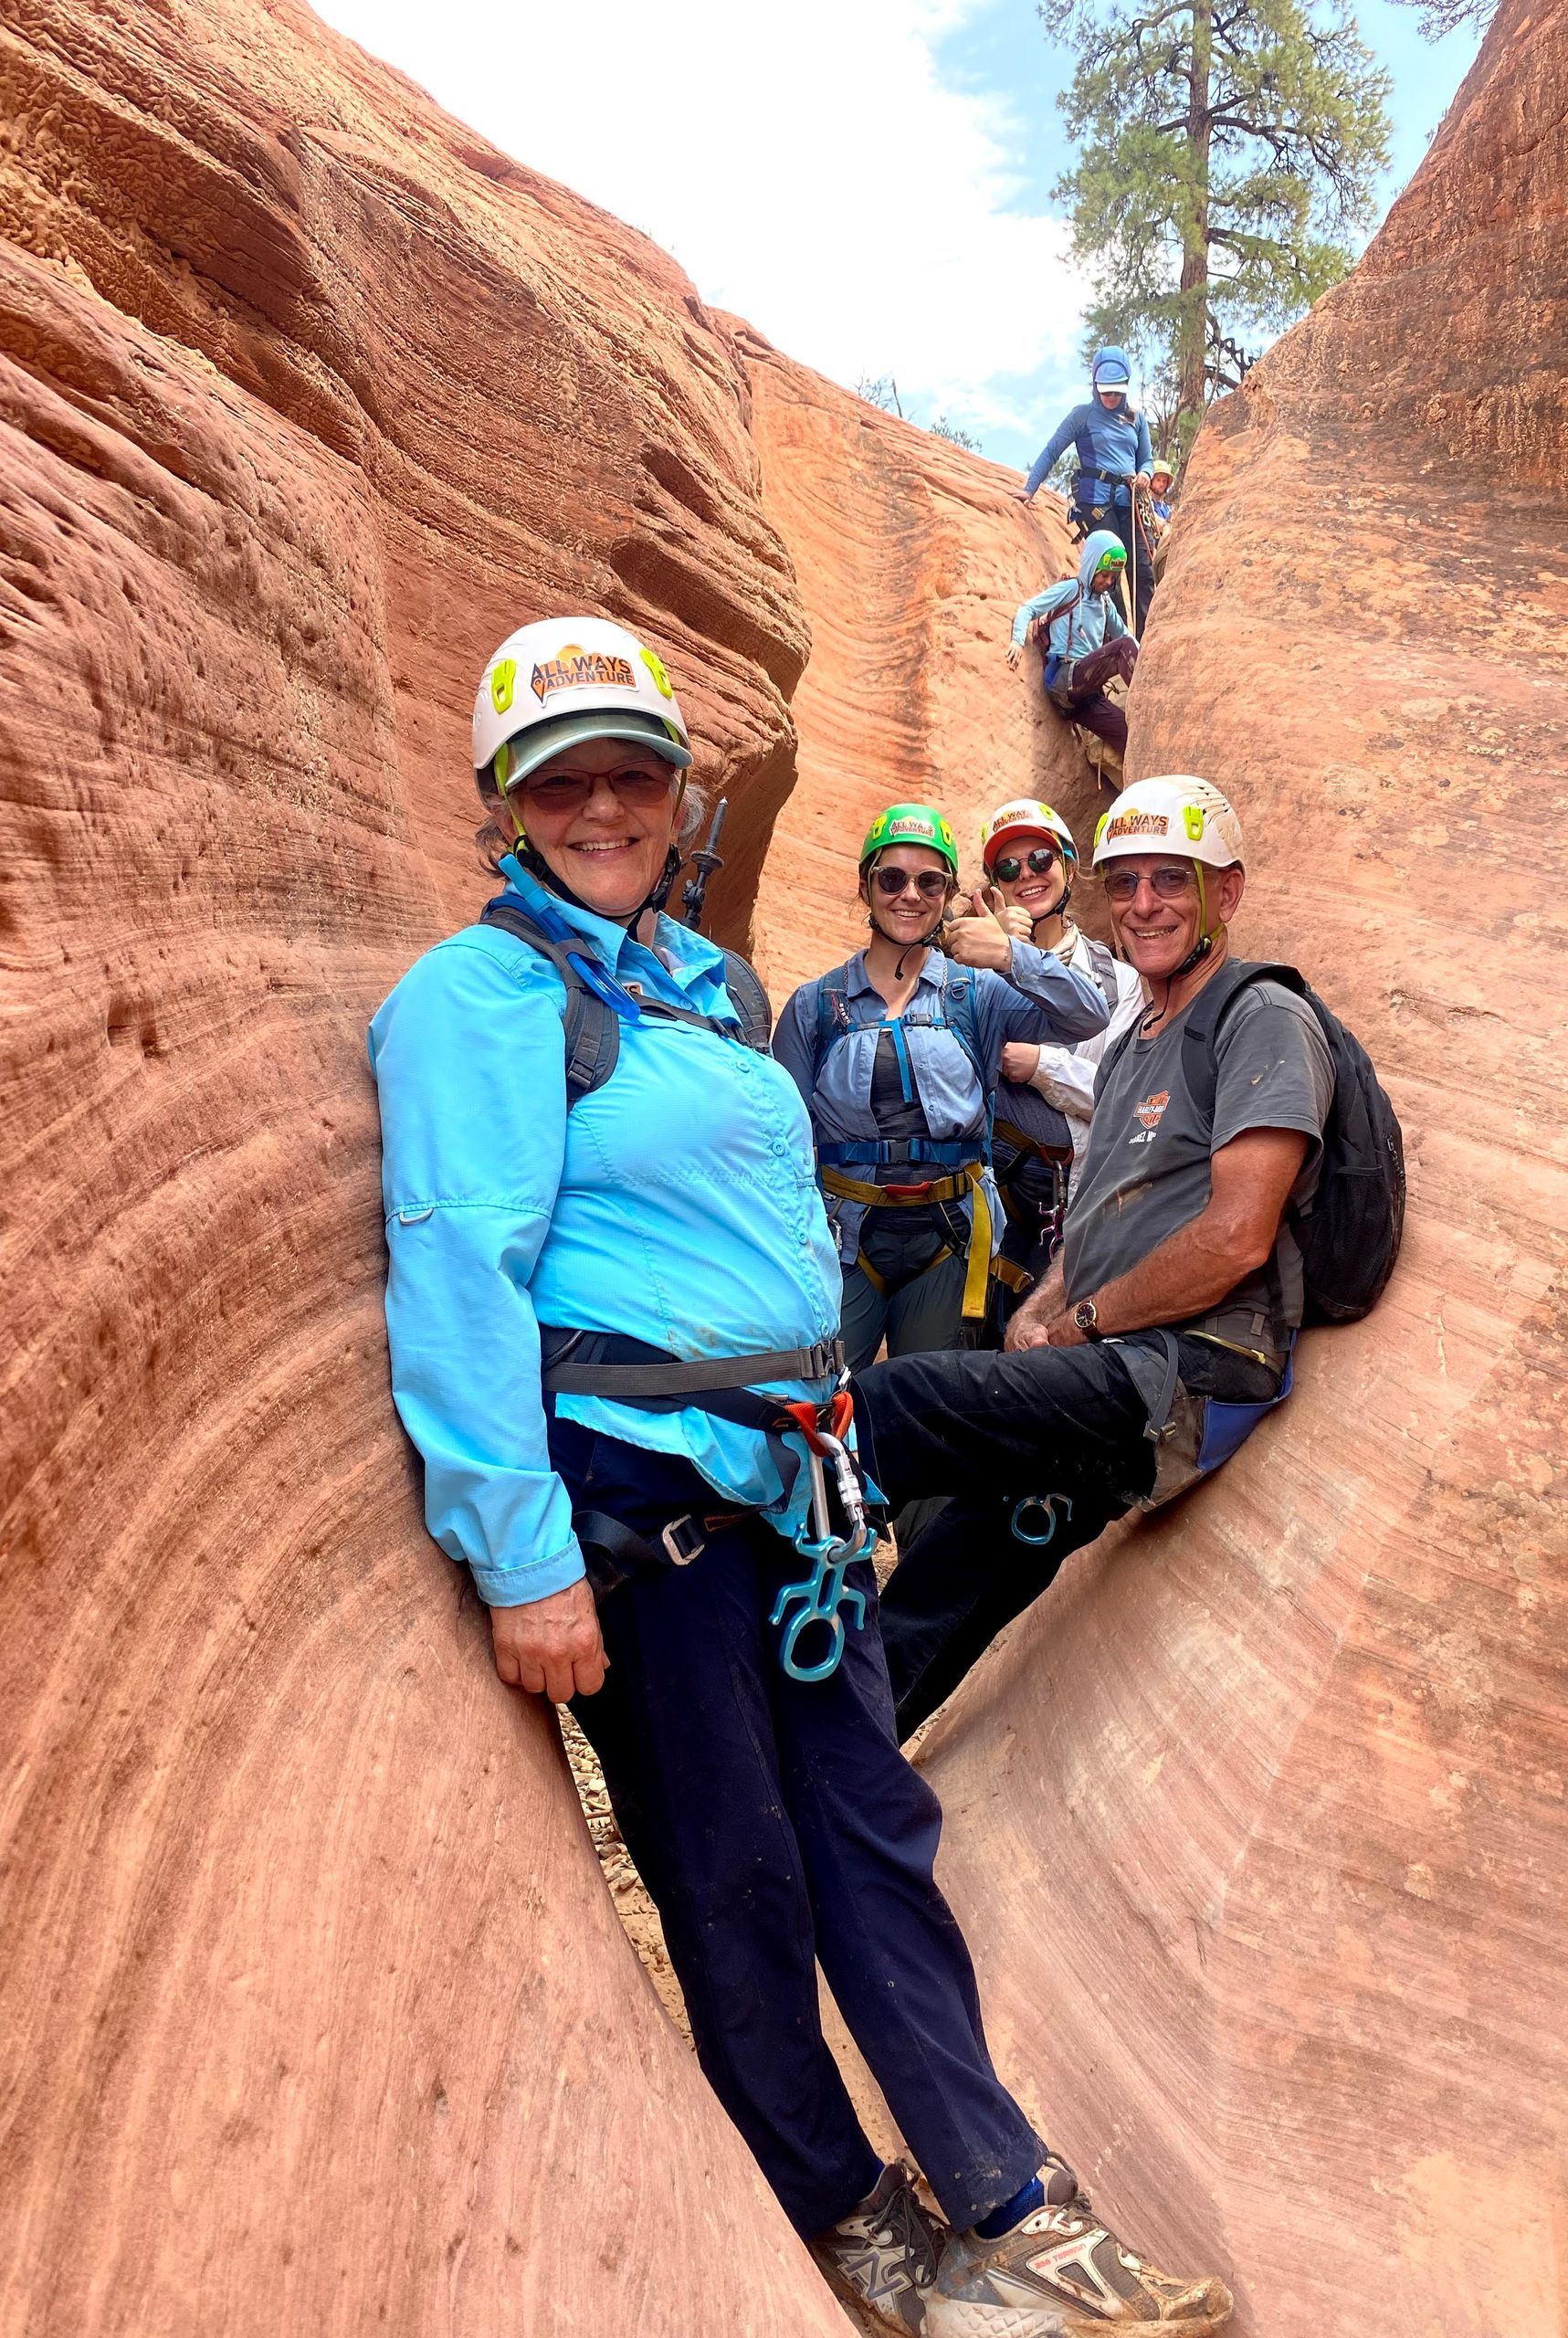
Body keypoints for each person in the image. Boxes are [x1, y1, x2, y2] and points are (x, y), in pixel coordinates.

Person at [367, 627, 1235, 2338]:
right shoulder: (480, 998)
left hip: (789, 1479)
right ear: (504, 805)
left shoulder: (693, 983)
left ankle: (1010, 2199)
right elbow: (457, 1267)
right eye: (565, 777)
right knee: (734, 1863)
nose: (606, 803)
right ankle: (851, 2219)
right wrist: (520, 1555)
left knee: (869, 1826)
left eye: (633, 769)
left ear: (680, 791)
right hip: (638, 1496)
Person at [858, 775, 1335, 1741]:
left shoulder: (1260, 1016)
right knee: (952, 1567)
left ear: (1226, 894)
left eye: (1172, 881)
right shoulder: (1132, 1043)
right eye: (1127, 885)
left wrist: (1076, 1326)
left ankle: (688, 1550)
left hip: (1187, 1370)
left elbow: (1236, 1234)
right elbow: (1103, 1211)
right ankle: (836, 1766)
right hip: (1108, 1371)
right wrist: (1043, 1308)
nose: (1144, 905)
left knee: (891, 1403)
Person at [773, 805, 1109, 1370]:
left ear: (948, 891)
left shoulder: (977, 993)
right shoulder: (816, 1005)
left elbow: (1089, 1016)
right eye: (891, 879)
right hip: (843, 1240)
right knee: (818, 1391)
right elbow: (781, 1140)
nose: (910, 894)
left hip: (949, 1237)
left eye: (930, 881)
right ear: (865, 889)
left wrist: (1009, 954)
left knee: (925, 1400)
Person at [978, 795, 1143, 1327]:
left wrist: (1043, 1065)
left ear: (1068, 869)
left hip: (1068, 1204)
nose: (1026, 875)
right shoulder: (967, 973)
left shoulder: (1119, 982)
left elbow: (1128, 1098)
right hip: (982, 1200)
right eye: (1008, 867)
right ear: (994, 885)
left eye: (1040, 861)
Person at [1016, 345, 1155, 630]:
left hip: (1130, 502)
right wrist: (1030, 489)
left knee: (1142, 570)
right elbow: (1052, 450)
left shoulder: (1136, 419)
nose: (1111, 397)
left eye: (1116, 391)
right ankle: (1117, 644)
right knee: (1110, 572)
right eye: (1106, 391)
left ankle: (1148, 639)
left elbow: (1147, 460)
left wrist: (1145, 474)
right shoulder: (1082, 416)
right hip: (1097, 505)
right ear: (1095, 385)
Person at [1008, 531, 1137, 766]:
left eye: (1113, 577)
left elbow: (1126, 635)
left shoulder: (1105, 602)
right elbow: (1027, 609)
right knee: (1122, 648)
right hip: (1064, 679)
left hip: (1084, 698)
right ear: (1090, 567)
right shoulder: (1071, 589)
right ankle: (1145, 701)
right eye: (1104, 575)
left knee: (1134, 738)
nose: (1108, 582)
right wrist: (1017, 641)